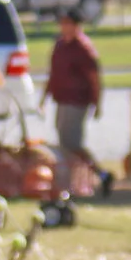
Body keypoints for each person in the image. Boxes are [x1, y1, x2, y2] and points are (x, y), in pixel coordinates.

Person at [41, 10, 102, 199]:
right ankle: (69, 181)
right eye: (63, 23)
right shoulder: (60, 46)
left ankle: (95, 174)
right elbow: (53, 73)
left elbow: (94, 78)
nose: (64, 27)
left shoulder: (83, 49)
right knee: (63, 142)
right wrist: (44, 98)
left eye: (68, 23)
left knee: (72, 144)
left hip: (77, 101)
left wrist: (97, 102)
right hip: (61, 99)